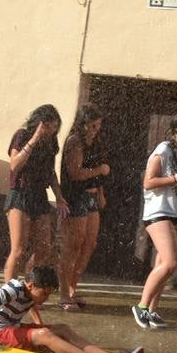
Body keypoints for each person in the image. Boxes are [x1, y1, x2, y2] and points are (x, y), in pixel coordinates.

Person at [0, 266, 143, 353]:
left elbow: (30, 302)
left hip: (10, 329)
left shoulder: (29, 291)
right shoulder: (13, 289)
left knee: (62, 328)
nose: (45, 298)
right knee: (45, 334)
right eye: (44, 293)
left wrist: (39, 324)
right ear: (30, 285)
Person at [133, 111, 177, 329]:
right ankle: (141, 307)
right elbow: (148, 182)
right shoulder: (163, 150)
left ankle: (153, 310)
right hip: (158, 211)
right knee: (171, 262)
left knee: (164, 263)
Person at [2, 104, 67, 280]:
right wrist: (35, 138)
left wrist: (59, 197)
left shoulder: (51, 143)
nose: (52, 132)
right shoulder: (22, 135)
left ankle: (29, 283)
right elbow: (15, 165)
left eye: (55, 128)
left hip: (39, 195)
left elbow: (51, 172)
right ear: (38, 123)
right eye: (48, 126)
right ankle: (7, 293)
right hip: (20, 194)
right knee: (19, 249)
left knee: (44, 248)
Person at [57, 103, 109, 310]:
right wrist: (99, 170)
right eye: (92, 126)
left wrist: (101, 193)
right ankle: (63, 295)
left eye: (98, 126)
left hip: (91, 196)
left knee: (89, 245)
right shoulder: (75, 142)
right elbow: (75, 173)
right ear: (83, 124)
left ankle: (72, 289)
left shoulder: (96, 143)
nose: (96, 130)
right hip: (75, 197)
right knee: (73, 246)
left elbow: (100, 171)